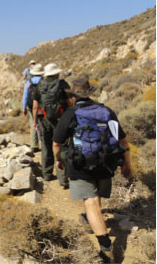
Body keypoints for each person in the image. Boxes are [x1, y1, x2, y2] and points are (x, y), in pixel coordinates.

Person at [52, 77, 132, 262]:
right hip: (106, 162)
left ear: (73, 96)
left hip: (81, 164)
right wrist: (126, 165)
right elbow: (123, 141)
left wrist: (59, 161)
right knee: (96, 201)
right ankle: (96, 223)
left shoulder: (71, 113)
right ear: (90, 93)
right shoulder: (106, 111)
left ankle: (106, 247)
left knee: (90, 202)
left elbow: (56, 143)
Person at [32, 63, 70, 188]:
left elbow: (35, 106)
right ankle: (63, 178)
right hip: (60, 120)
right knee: (61, 146)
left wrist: (35, 121)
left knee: (46, 146)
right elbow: (70, 102)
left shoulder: (40, 85)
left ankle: (47, 174)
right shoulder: (62, 84)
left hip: (44, 120)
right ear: (56, 73)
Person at [22, 64, 44, 151]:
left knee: (33, 124)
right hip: (42, 107)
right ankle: (44, 144)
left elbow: (25, 96)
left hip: (31, 107)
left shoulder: (29, 82)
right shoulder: (43, 81)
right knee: (42, 125)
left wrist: (24, 108)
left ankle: (34, 145)